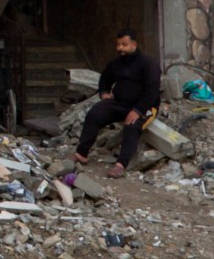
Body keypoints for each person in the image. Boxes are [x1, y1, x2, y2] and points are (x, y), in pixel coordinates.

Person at [68, 29, 162, 180]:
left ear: (134, 44)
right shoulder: (116, 63)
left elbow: (152, 92)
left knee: (131, 126)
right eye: (118, 45)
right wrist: (104, 93)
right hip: (119, 103)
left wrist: (138, 110)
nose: (120, 48)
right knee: (94, 114)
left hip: (145, 107)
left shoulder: (148, 64)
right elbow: (105, 78)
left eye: (124, 45)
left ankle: (120, 165)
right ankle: (81, 153)